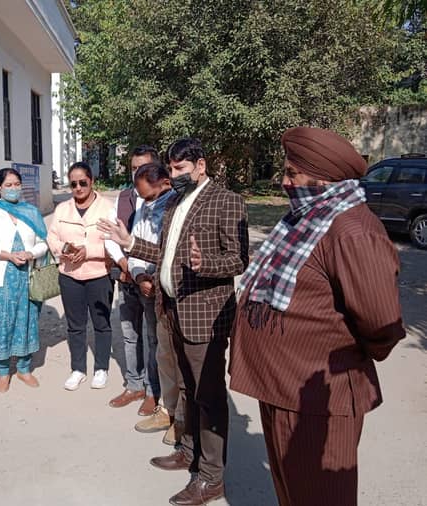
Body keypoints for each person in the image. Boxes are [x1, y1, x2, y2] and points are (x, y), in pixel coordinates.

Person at [230, 127, 405, 506]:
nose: (284, 182)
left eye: (292, 173)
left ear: (323, 177)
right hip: (281, 389)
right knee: (291, 493)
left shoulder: (351, 230)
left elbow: (381, 324)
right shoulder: (306, 218)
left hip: (317, 402)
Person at [99, 137, 248, 506]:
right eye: (172, 168)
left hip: (204, 317)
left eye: (181, 168)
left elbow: (239, 259)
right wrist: (130, 243)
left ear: (201, 165)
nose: (175, 174)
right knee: (185, 388)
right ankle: (188, 450)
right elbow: (164, 253)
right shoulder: (177, 202)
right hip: (171, 310)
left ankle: (211, 478)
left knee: (208, 397)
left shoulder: (226, 201)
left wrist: (205, 264)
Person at [0, 168, 48, 392]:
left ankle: (24, 368)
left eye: (17, 184)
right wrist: (8, 255)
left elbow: (43, 243)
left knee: (26, 321)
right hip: (1, 277)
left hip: (26, 277)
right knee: (1, 322)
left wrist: (30, 253)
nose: (14, 188)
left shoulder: (31, 212)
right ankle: (3, 371)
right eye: (8, 185)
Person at [127, 163, 184, 444]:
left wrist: (155, 276)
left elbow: (170, 253)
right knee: (163, 353)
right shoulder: (144, 207)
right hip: (151, 290)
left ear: (165, 183)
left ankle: (182, 419)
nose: (145, 201)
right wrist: (139, 275)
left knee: (180, 358)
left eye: (148, 195)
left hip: (176, 294)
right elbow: (135, 245)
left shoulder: (178, 207)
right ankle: (166, 409)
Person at [106, 145, 163, 417]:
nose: (136, 173)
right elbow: (111, 236)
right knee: (130, 335)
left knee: (153, 337)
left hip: (151, 281)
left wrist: (146, 275)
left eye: (143, 168)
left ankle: (153, 390)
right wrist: (124, 264)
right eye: (133, 168)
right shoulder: (124, 197)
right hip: (127, 276)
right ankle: (134, 384)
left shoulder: (166, 201)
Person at [48, 161, 115, 391]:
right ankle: (78, 369)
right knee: (75, 325)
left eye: (83, 183)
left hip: (99, 274)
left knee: (101, 323)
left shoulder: (107, 208)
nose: (78, 188)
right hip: (70, 276)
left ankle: (101, 368)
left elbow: (114, 242)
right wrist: (65, 249)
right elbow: (52, 237)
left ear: (92, 181)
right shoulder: (62, 209)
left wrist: (90, 251)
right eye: (73, 184)